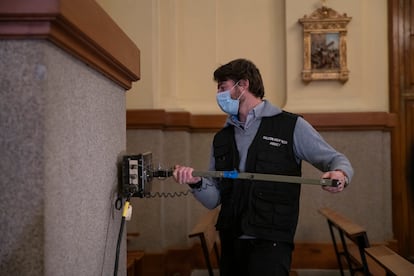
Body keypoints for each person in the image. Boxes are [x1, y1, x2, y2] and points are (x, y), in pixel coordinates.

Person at [172, 58, 353, 276]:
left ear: (243, 85)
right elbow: (214, 200)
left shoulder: (290, 126)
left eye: (223, 87)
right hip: (231, 243)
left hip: (272, 243)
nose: (218, 95)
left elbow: (336, 159)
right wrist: (196, 182)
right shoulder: (222, 138)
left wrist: (340, 173)